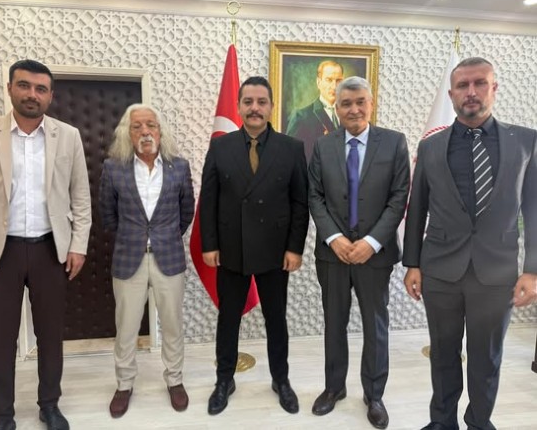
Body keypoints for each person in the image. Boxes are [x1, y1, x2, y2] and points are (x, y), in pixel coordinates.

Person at [0, 59, 92, 430]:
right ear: (10, 88)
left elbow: (80, 196)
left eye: (40, 89)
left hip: (51, 250)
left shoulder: (69, 136)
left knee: (50, 335)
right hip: (1, 253)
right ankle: (1, 416)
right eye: (25, 86)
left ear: (50, 96)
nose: (32, 94)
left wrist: (78, 245)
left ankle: (50, 405)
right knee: (1, 339)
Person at [403, 57, 537, 430]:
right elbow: (417, 208)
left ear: (494, 88)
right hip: (440, 272)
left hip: (496, 274)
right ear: (451, 94)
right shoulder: (431, 147)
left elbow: (535, 208)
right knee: (443, 355)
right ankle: (442, 423)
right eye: (463, 85)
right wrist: (412, 263)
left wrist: (533, 270)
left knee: (486, 358)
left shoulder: (526, 141)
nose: (471, 92)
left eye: (480, 83)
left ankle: (479, 423)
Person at [200, 76, 309, 415]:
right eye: (248, 102)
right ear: (239, 106)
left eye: (261, 102)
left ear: (271, 107)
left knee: (276, 319)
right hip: (231, 248)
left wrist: (295, 248)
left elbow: (300, 202)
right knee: (228, 319)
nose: (255, 108)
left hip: (275, 251)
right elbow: (209, 199)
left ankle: (281, 379)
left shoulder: (291, 148)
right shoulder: (221, 147)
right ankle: (224, 380)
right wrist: (209, 244)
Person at [308, 76, 410, 429]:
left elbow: (399, 196)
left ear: (371, 103)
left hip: (375, 255)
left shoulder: (394, 142)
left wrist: (372, 242)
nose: (354, 109)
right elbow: (314, 195)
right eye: (346, 104)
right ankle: (334, 388)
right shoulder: (323, 146)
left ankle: (374, 394)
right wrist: (334, 237)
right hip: (332, 254)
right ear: (336, 108)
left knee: (375, 325)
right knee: (334, 323)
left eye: (360, 102)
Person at [99, 104, 195, 416]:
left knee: (172, 324)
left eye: (150, 125)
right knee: (126, 327)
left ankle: (175, 380)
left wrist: (165, 237)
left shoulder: (179, 167)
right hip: (129, 259)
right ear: (127, 133)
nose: (145, 132)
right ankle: (124, 384)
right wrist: (134, 237)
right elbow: (107, 215)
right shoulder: (114, 168)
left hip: (169, 258)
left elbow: (186, 212)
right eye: (137, 126)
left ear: (160, 130)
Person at [286, 60, 344, 161]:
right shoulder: (301, 116)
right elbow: (290, 158)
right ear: (319, 82)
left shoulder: (349, 116)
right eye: (329, 80)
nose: (334, 86)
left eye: (338, 80)